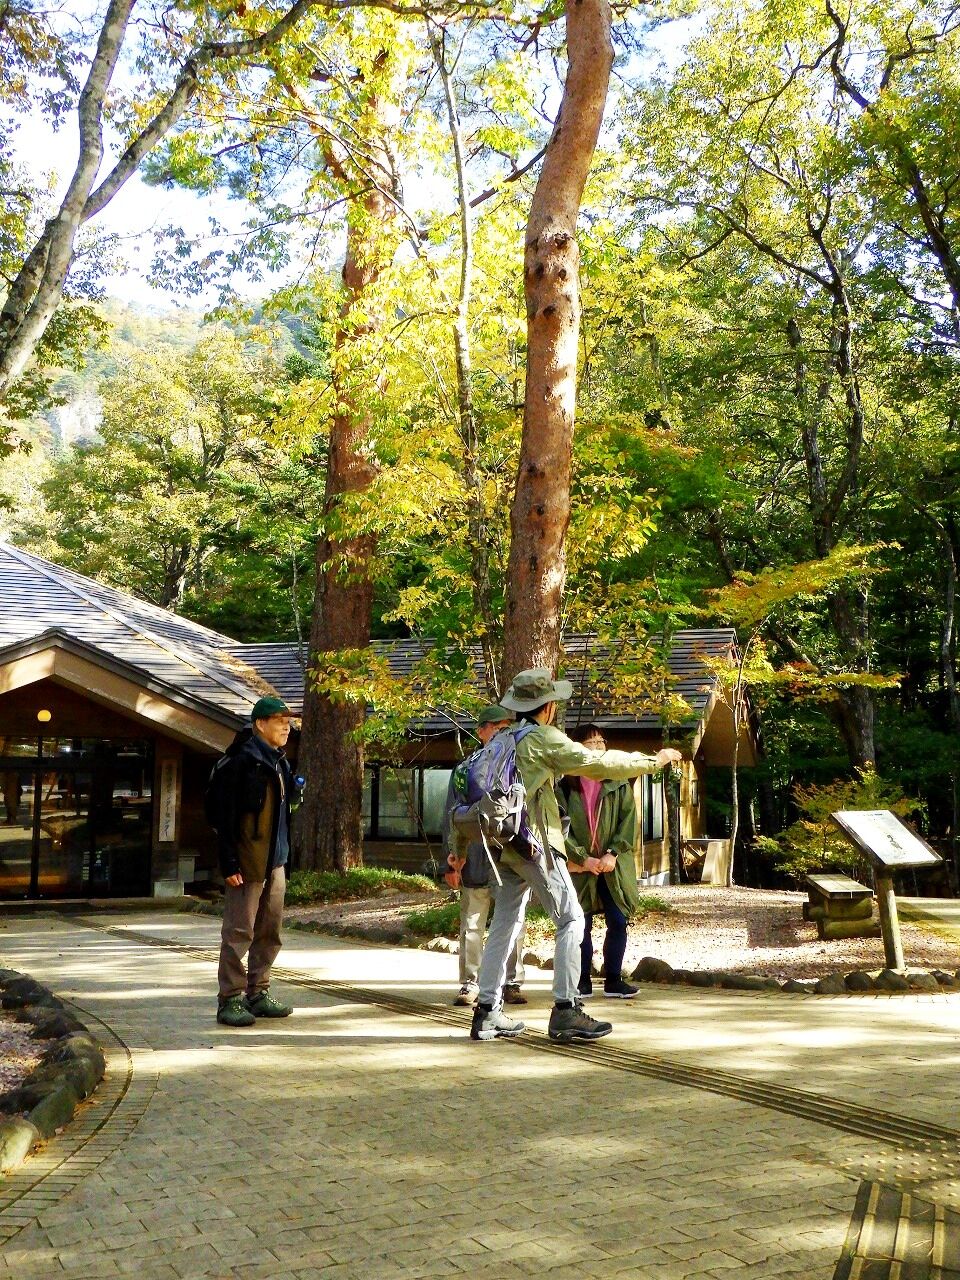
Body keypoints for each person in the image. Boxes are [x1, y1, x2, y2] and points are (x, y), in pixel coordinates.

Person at [469, 669, 682, 1044]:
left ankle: (486, 1011)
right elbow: (598, 764)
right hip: (534, 843)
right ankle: (566, 1009)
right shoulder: (542, 738)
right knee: (571, 918)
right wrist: (654, 760)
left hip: (505, 843)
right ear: (548, 707)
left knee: (504, 924)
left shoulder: (503, 738)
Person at [213, 695, 296, 1028]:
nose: (287, 728)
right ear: (260, 724)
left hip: (275, 861)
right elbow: (223, 816)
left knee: (270, 930)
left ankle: (258, 992)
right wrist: (229, 861)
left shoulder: (280, 762)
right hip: (247, 862)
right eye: (280, 722)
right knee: (239, 931)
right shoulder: (242, 761)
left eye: (288, 723)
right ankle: (230, 998)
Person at [444, 705, 527, 1008]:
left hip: (511, 856)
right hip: (475, 856)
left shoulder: (518, 767)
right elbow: (452, 815)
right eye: (497, 727)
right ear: (481, 731)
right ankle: (470, 982)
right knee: (472, 923)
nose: (503, 733)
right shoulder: (465, 770)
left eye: (507, 727)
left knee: (514, 921)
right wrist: (452, 858)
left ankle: (512, 981)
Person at [563, 724, 642, 1000]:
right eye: (590, 742)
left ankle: (613, 980)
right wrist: (582, 857)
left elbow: (628, 821)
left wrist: (612, 853)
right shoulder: (565, 786)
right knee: (580, 924)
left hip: (613, 865)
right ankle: (582, 980)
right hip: (580, 866)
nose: (597, 747)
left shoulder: (618, 782)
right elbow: (559, 827)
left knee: (618, 920)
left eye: (600, 742)